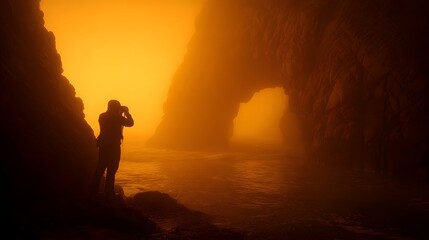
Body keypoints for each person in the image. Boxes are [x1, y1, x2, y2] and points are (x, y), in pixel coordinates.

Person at [91, 99, 134, 201]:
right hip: (113, 147)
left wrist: (119, 112)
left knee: (100, 168)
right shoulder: (116, 117)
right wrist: (126, 113)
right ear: (115, 107)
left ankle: (93, 191)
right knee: (112, 169)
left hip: (103, 146)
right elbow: (130, 123)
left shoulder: (102, 116)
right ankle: (109, 192)